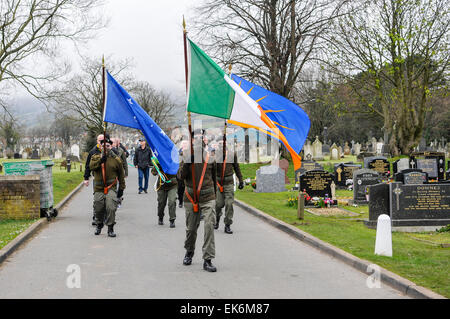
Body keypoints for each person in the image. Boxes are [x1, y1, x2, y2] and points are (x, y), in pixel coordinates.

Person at [177, 133, 218, 272]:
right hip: (191, 197)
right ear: (192, 141)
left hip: (208, 197)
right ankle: (189, 251)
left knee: (209, 226)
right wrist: (187, 163)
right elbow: (180, 177)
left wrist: (215, 198)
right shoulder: (186, 156)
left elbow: (214, 179)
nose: (200, 140)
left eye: (203, 138)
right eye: (197, 138)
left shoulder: (211, 158)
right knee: (191, 228)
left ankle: (208, 259)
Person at [89, 137, 126, 237]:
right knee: (98, 206)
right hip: (99, 188)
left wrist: (121, 188)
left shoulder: (116, 159)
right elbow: (91, 167)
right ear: (100, 147)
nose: (106, 147)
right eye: (103, 146)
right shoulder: (95, 157)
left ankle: (110, 228)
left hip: (111, 187)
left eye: (108, 146)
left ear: (111, 146)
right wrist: (101, 161)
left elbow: (121, 175)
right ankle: (99, 224)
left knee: (111, 206)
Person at [214, 140, 244, 234]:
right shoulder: (214, 155)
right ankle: (217, 219)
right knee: (218, 204)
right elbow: (212, 169)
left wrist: (241, 180)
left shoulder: (232, 154)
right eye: (220, 143)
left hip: (229, 183)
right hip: (219, 184)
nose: (222, 144)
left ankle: (227, 224)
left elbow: (237, 167)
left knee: (229, 204)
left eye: (224, 143)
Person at [83, 133, 109, 225]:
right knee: (97, 199)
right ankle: (96, 217)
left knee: (107, 198)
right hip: (97, 178)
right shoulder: (93, 151)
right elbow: (87, 166)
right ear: (97, 141)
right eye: (100, 140)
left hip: (109, 179)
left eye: (103, 140)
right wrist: (86, 178)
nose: (101, 142)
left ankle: (106, 217)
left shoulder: (110, 150)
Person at [151, 158, 178, 227]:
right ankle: (160, 217)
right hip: (161, 185)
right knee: (161, 203)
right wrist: (158, 166)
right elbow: (153, 172)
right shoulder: (160, 159)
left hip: (172, 185)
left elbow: (179, 172)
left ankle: (172, 220)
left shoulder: (174, 161)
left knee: (172, 202)